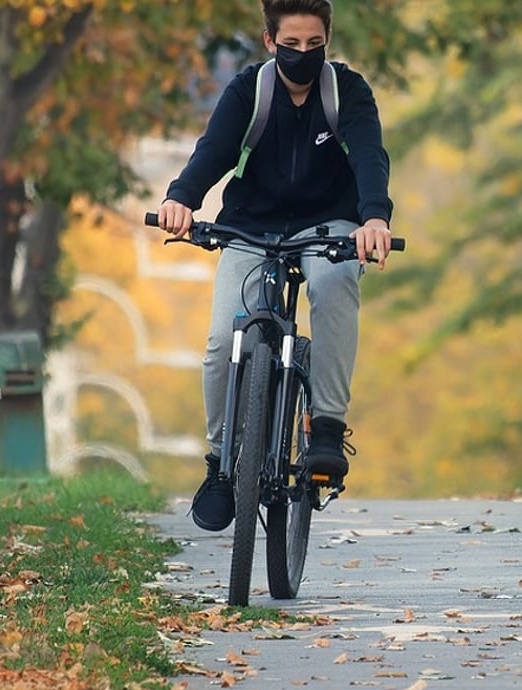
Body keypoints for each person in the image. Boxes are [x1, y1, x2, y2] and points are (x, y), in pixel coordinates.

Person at [157, 0, 394, 531]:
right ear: (270, 42)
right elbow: (214, 151)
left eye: (315, 45)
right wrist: (182, 198)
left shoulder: (346, 91)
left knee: (334, 286)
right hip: (250, 226)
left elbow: (369, 155)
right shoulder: (250, 90)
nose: (303, 55)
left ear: (327, 41)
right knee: (223, 340)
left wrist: (374, 217)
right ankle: (220, 465)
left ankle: (327, 430)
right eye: (291, 45)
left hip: (328, 226)